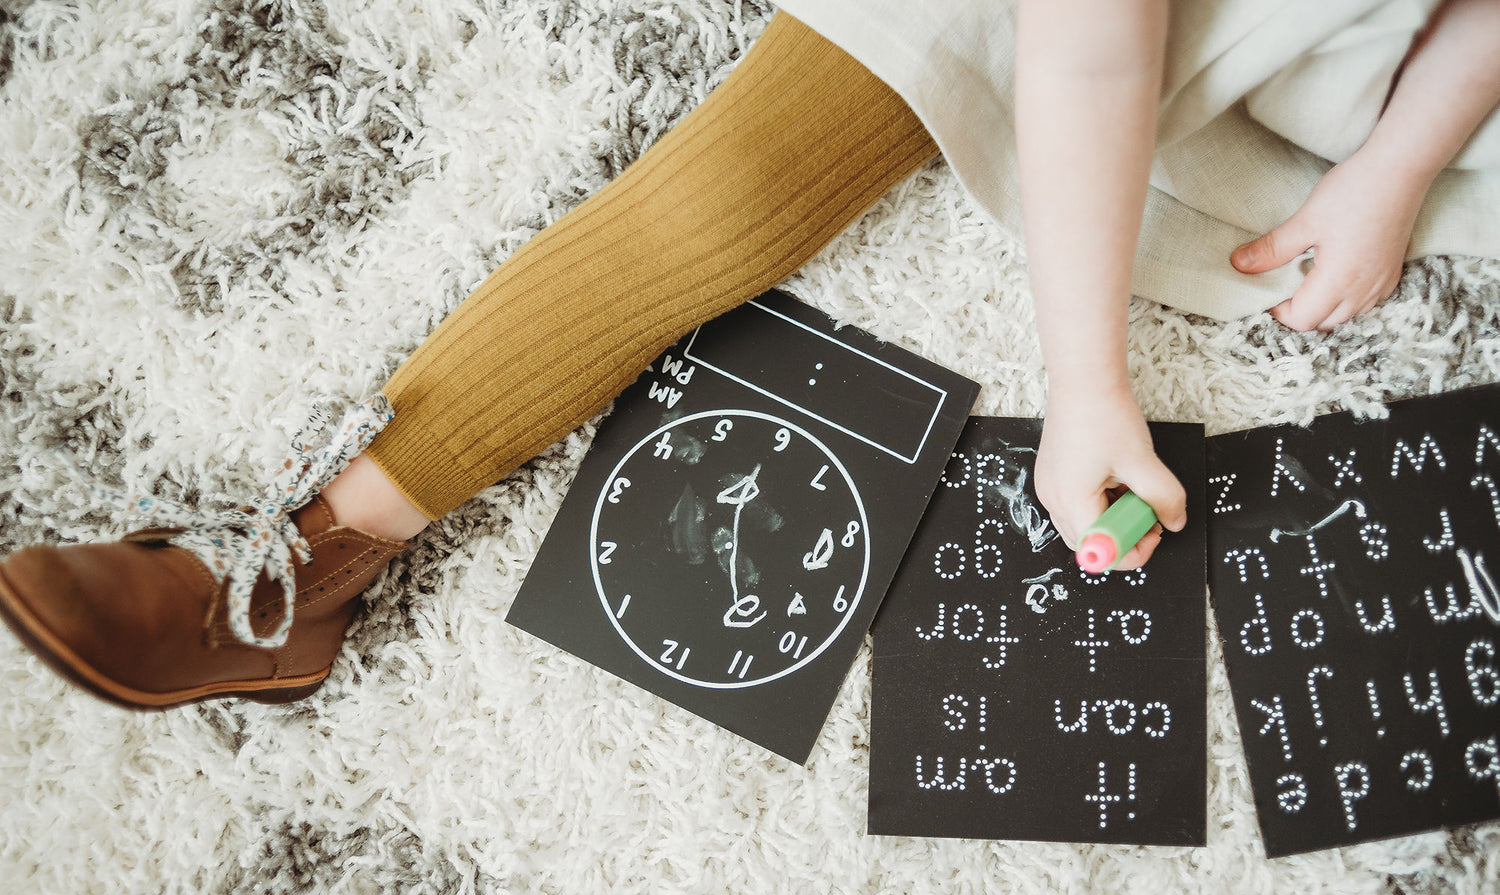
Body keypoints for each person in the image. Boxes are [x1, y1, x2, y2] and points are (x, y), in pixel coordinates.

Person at [2, 1, 1498, 709]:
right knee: (710, 203)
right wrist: (1088, 379)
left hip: (1327, 59)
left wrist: (1400, 164)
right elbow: (1090, 53)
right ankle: (302, 569)